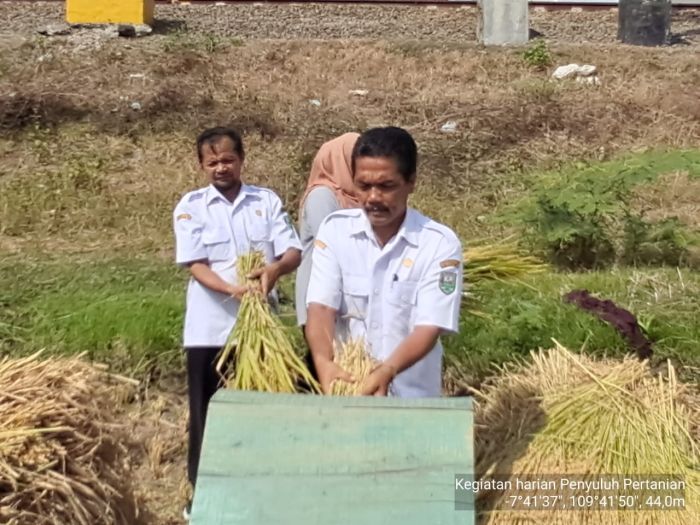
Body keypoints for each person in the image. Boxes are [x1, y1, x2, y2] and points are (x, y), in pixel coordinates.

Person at [172, 127, 302, 519]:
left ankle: (264, 489)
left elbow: (292, 251)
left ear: (242, 159)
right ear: (201, 165)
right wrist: (233, 289)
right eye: (212, 162)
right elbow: (195, 265)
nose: (220, 168)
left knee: (264, 408)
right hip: (210, 329)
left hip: (262, 332)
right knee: (206, 413)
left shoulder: (265, 201)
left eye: (227, 160)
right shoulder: (191, 206)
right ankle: (204, 495)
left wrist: (274, 270)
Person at [304, 126, 463, 398]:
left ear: (411, 181)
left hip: (411, 398)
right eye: (363, 186)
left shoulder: (438, 244)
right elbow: (320, 307)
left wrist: (387, 370)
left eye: (386, 186)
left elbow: (430, 325)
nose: (373, 198)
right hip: (348, 392)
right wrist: (323, 362)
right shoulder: (335, 231)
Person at [294, 132, 360, 384]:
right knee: (325, 364)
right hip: (320, 298)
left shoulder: (356, 197)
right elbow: (335, 245)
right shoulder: (323, 196)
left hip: (345, 298)